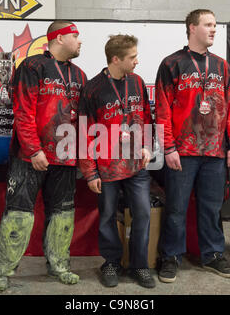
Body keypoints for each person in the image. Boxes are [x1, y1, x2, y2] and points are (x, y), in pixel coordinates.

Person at [0, 21, 87, 291]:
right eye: (75, 37)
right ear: (58, 39)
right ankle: (3, 269)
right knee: (19, 216)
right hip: (29, 157)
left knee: (63, 215)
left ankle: (59, 265)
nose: (80, 42)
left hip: (66, 158)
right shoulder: (32, 67)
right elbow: (23, 111)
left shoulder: (79, 74)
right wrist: (34, 150)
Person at [155, 9, 230, 283]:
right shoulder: (172, 64)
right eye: (208, 25)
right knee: (177, 209)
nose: (214, 30)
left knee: (211, 208)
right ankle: (170, 257)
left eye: (215, 25)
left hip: (215, 151)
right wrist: (168, 148)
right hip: (183, 151)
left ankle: (213, 254)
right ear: (192, 28)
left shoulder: (222, 66)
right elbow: (163, 110)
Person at [78, 35, 155, 288]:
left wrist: (146, 145)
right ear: (115, 59)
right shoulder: (93, 89)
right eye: (131, 57)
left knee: (143, 213)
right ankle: (111, 262)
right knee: (108, 215)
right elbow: (83, 131)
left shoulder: (138, 82)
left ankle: (139, 265)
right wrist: (90, 172)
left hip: (136, 166)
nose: (136, 61)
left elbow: (145, 115)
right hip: (106, 166)